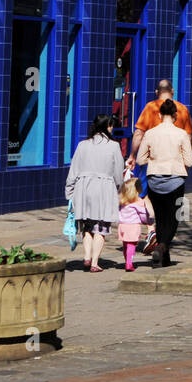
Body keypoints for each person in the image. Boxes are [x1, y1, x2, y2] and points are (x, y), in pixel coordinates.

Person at [135, 98, 192, 267]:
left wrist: (153, 160)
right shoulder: (181, 134)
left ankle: (163, 257)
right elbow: (189, 162)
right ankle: (162, 246)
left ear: (159, 115)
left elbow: (140, 160)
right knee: (174, 218)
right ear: (175, 115)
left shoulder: (150, 133)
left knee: (160, 218)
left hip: (155, 180)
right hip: (175, 181)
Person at [65, 114, 125, 272]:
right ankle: (94, 262)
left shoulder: (82, 145)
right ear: (106, 127)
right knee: (101, 227)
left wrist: (69, 191)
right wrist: (119, 188)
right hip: (104, 189)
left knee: (87, 225)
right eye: (110, 125)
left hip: (83, 188)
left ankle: (86, 256)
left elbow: (73, 170)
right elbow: (118, 173)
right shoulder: (114, 146)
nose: (112, 128)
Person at [130, 80, 192, 184]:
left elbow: (138, 134)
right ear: (172, 91)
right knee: (175, 198)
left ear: (156, 92)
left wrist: (132, 155)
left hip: (154, 164)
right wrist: (186, 162)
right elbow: (189, 137)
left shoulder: (150, 107)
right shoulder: (182, 109)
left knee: (148, 197)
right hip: (175, 166)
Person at [116, 178, 155, 272]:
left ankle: (127, 261)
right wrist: (150, 219)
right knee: (131, 245)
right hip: (133, 226)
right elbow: (144, 215)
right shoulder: (138, 202)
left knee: (125, 245)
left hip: (122, 226)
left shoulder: (122, 202)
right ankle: (129, 263)